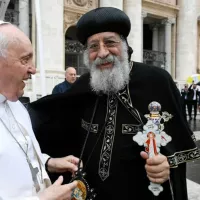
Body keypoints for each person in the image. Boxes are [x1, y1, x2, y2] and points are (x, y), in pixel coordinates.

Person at [29, 7, 200, 200]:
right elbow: (48, 116)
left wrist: (167, 163)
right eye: (93, 46)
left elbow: (178, 142)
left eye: (110, 42)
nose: (102, 53)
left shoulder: (157, 81)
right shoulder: (84, 85)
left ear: (124, 44)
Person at [0, 21, 79, 199]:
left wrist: (49, 162)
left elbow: (19, 154)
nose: (33, 69)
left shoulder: (16, 105)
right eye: (24, 59)